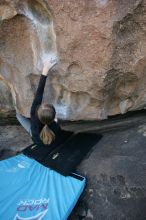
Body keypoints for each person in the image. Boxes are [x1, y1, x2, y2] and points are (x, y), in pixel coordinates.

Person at [16, 57, 60, 148]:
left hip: (35, 138)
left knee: (18, 115)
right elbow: (53, 123)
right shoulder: (55, 127)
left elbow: (39, 92)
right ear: (54, 117)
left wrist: (45, 69)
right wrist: (55, 121)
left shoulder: (34, 115)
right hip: (46, 138)